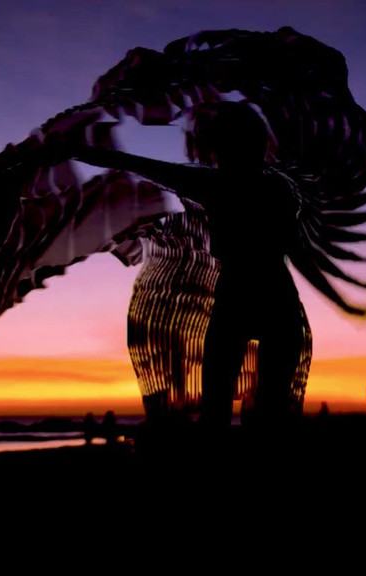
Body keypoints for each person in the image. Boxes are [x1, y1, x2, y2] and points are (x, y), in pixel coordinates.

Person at [73, 102, 305, 430]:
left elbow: (138, 165)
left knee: (223, 398)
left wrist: (78, 151)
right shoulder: (275, 187)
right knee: (257, 404)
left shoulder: (228, 184)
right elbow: (138, 165)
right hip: (269, 290)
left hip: (247, 289)